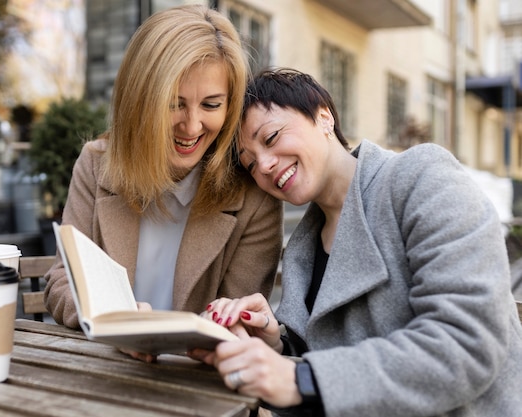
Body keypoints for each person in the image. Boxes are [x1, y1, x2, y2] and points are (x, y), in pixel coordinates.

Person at [198, 68, 522, 416]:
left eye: (272, 137)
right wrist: (274, 344)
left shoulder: (421, 177)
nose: (264, 165)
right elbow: (328, 374)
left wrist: (299, 379)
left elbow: (467, 344)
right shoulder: (301, 252)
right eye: (249, 165)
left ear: (324, 117)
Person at [44, 5, 283, 357]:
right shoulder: (97, 164)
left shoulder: (253, 195)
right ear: (140, 99)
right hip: (101, 368)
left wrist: (219, 327)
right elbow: (63, 280)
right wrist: (112, 320)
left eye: (211, 105)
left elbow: (238, 316)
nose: (191, 126)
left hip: (194, 383)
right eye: (174, 103)